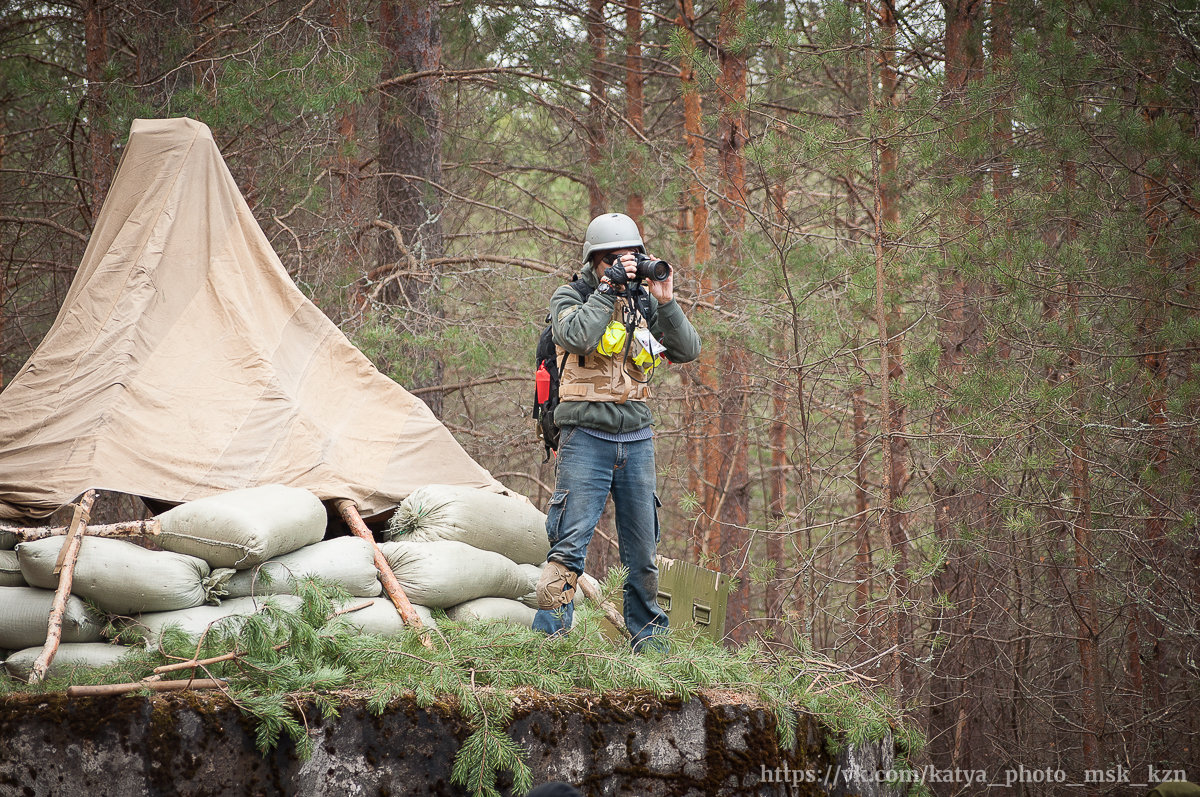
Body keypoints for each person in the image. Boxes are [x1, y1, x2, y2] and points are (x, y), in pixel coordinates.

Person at [533, 212, 702, 652]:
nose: (625, 265)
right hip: (585, 437)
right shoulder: (571, 296)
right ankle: (550, 648)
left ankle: (651, 650)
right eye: (613, 259)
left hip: (637, 437)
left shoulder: (645, 302)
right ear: (595, 261)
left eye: (631, 257)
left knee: (642, 553)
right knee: (569, 546)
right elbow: (575, 336)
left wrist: (665, 300)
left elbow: (687, 350)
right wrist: (608, 290)